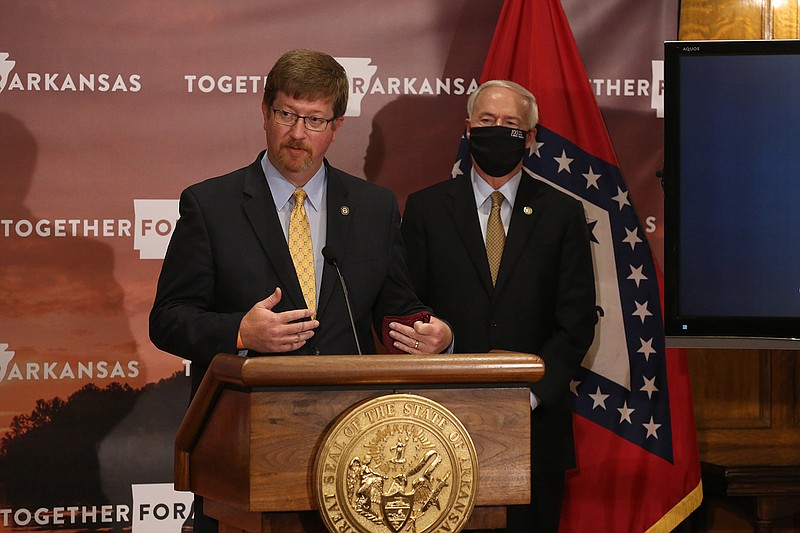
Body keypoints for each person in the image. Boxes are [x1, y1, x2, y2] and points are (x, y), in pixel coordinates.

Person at [149, 48, 453, 533]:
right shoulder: (211, 205)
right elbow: (167, 319)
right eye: (287, 114)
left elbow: (398, 309)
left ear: (336, 127)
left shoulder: (373, 208)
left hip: (352, 452)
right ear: (265, 112)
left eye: (314, 120)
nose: (298, 133)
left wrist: (434, 335)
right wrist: (240, 332)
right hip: (241, 449)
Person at [400, 80, 597, 533]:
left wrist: (523, 393)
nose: (497, 130)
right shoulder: (427, 209)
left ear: (531, 137)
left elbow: (576, 323)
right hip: (442, 422)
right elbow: (408, 306)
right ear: (468, 129)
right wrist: (443, 345)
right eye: (487, 121)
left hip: (534, 429)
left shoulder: (562, 213)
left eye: (511, 124)